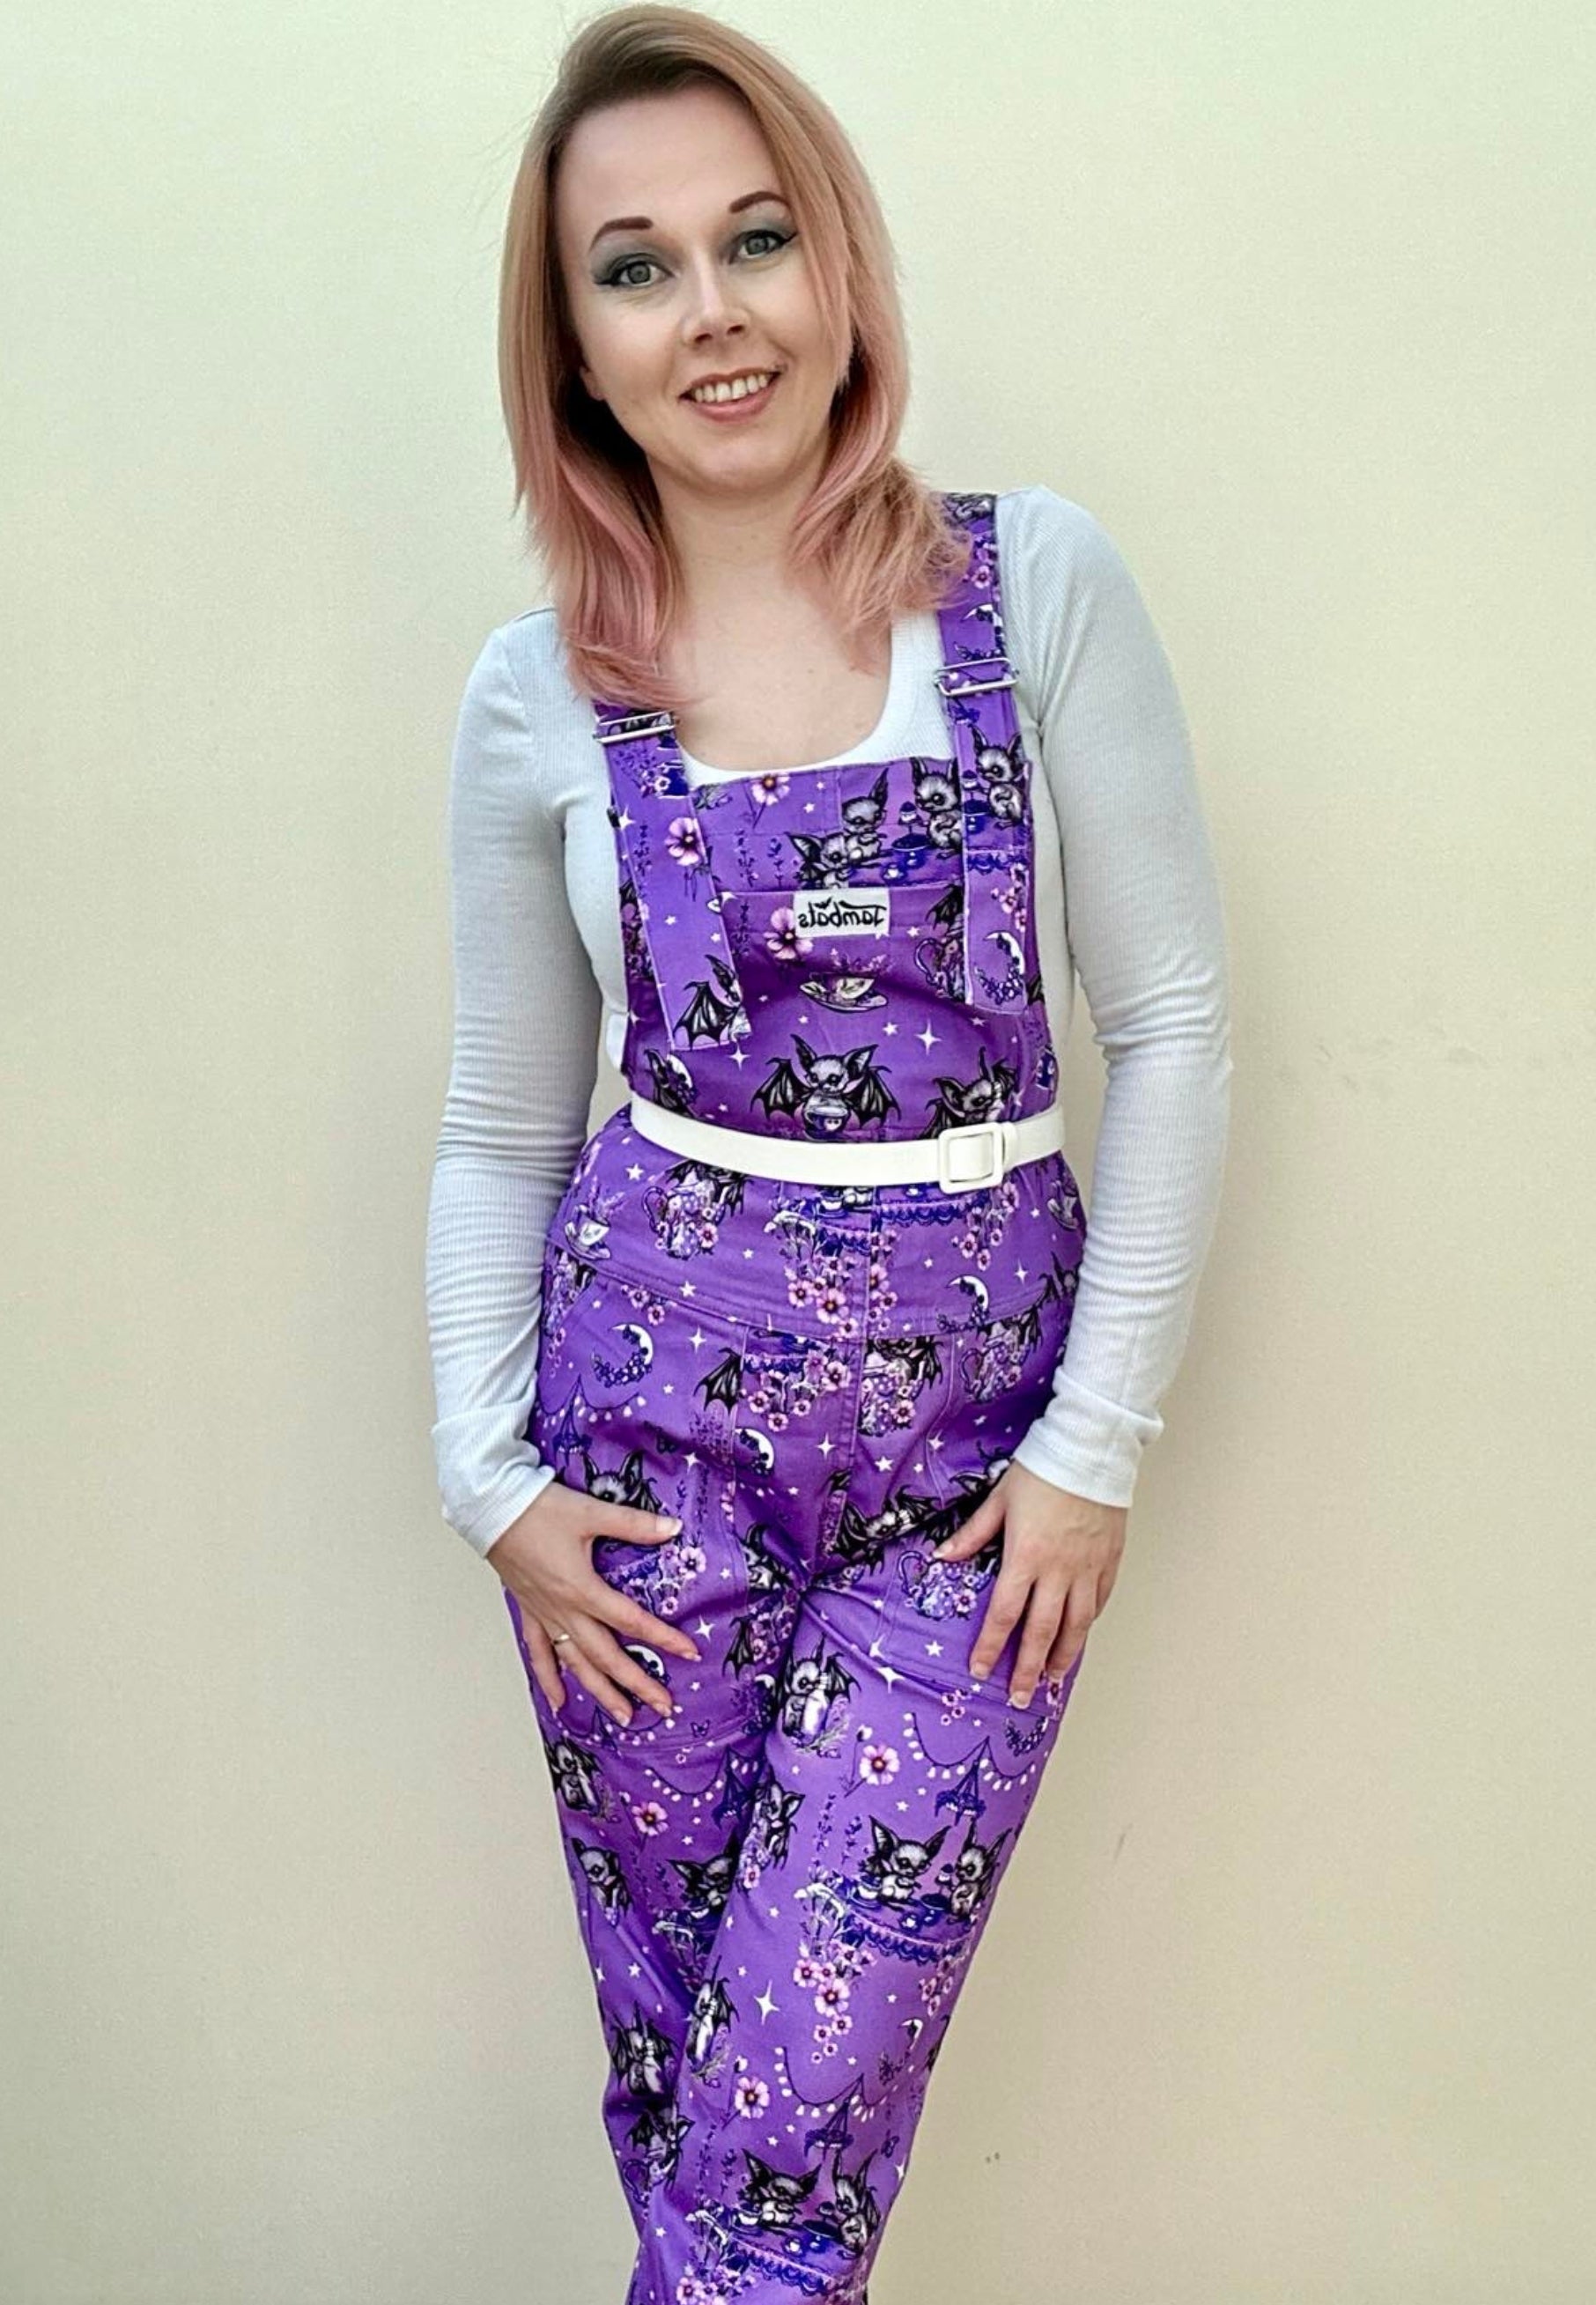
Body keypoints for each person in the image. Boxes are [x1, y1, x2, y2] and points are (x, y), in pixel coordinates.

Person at [425, 8, 1231, 2300]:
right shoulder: (540, 692)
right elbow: (499, 1126)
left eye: (757, 238)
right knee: (698, 2098)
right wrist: (484, 1472)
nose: (715, 312)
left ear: (839, 263)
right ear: (574, 346)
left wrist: (1092, 1448)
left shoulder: (1025, 584)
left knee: (787, 2127)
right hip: (637, 1467)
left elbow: (1173, 1028)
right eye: (636, 267)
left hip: (972, 1488)